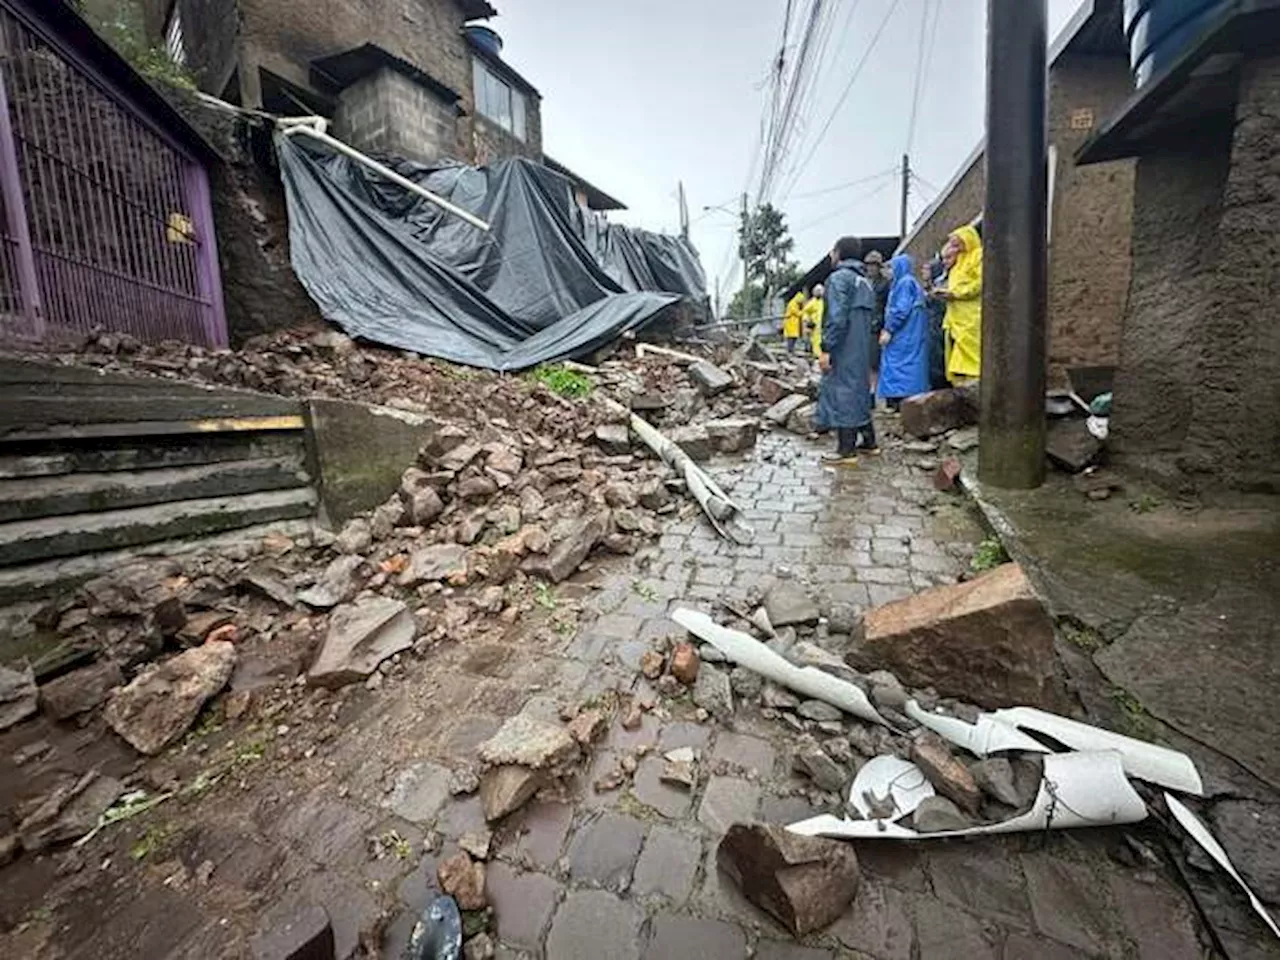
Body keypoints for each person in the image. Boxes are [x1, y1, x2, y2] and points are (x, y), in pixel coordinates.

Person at [816, 236, 877, 464]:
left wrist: (827, 348)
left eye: (833, 251)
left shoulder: (838, 279)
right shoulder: (864, 281)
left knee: (843, 392)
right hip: (861, 345)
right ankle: (870, 442)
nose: (831, 256)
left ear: (839, 253)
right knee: (858, 389)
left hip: (844, 345)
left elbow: (837, 317)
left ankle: (846, 450)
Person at [877, 254, 930, 409]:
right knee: (911, 364)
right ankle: (908, 399)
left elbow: (900, 310)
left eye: (891, 267)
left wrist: (889, 329)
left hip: (904, 333)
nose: (888, 271)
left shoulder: (904, 283)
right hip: (912, 333)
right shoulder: (907, 283)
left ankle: (899, 400)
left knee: (898, 364)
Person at [937, 224, 983, 383]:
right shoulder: (959, 261)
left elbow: (980, 283)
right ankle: (960, 383)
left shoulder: (978, 256)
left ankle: (975, 382)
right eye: (953, 244)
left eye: (958, 243)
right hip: (955, 317)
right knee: (955, 354)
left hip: (971, 316)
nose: (955, 248)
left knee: (972, 351)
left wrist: (955, 293)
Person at [863, 250, 891, 399]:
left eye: (873, 265)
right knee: (866, 360)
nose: (870, 268)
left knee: (875, 361)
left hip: (878, 327)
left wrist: (884, 325)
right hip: (865, 325)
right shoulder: (864, 282)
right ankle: (869, 390)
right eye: (868, 265)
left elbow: (887, 305)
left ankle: (875, 392)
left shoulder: (885, 284)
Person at [804, 283, 825, 357]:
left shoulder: (824, 301)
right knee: (816, 341)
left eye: (820, 291)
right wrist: (808, 320)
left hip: (823, 324)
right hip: (815, 325)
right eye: (817, 291)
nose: (819, 292)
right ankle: (817, 356)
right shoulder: (812, 302)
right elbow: (805, 311)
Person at [782, 289, 806, 353]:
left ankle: (792, 350)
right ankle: (790, 351)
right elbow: (797, 313)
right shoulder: (792, 304)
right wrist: (804, 311)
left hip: (794, 324)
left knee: (794, 337)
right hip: (790, 323)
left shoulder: (795, 303)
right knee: (791, 338)